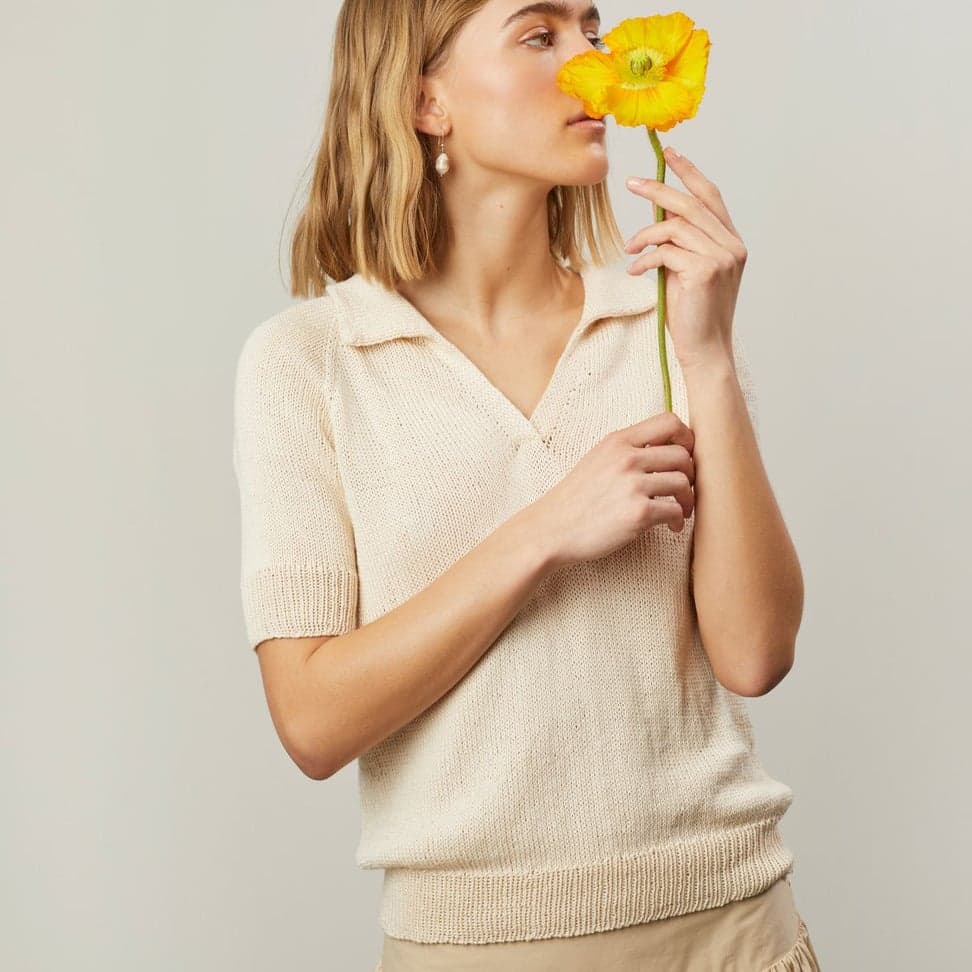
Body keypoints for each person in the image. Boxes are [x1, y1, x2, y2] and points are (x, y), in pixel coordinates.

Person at [231, 1, 822, 968]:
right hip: (477, 947)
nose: (594, 59)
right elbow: (312, 721)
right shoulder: (310, 363)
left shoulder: (665, 325)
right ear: (426, 102)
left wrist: (709, 356)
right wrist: (546, 530)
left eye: (592, 29)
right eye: (540, 35)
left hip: (732, 933)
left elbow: (756, 654)